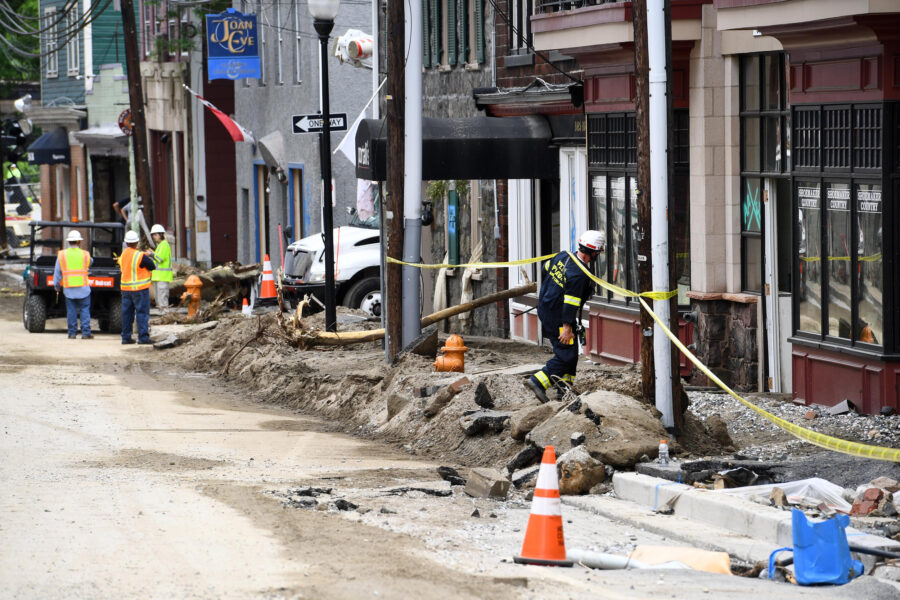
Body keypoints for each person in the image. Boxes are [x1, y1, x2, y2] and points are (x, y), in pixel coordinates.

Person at [526, 230, 605, 403]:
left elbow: (545, 268)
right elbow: (571, 303)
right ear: (593, 252)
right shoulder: (579, 275)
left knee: (571, 352)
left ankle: (564, 388)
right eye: (598, 253)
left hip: (545, 308)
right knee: (566, 356)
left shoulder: (563, 256)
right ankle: (538, 381)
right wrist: (567, 328)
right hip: (558, 318)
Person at [53, 230, 93, 339]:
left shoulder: (62, 255)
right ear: (79, 241)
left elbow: (57, 272)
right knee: (85, 310)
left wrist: (56, 286)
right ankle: (86, 333)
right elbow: (91, 262)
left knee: (71, 311)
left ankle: (72, 333)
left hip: (69, 289)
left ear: (69, 242)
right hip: (83, 289)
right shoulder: (85, 254)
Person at [118, 229, 156, 344]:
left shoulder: (123, 255)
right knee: (142, 313)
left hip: (125, 290)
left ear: (126, 243)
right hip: (139, 290)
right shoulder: (140, 256)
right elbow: (152, 266)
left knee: (127, 314)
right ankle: (143, 338)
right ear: (137, 242)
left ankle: (126, 337)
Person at [150, 224, 173, 310]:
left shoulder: (164, 245)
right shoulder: (160, 245)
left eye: (155, 234)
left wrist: (151, 254)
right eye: (153, 235)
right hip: (158, 277)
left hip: (163, 277)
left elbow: (159, 259)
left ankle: (165, 316)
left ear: (161, 234)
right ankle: (163, 317)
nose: (154, 237)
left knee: (162, 299)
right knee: (158, 299)